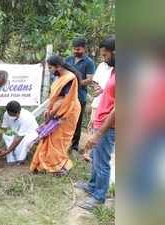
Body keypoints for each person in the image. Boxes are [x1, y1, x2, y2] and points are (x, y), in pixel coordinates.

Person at [75, 36, 116, 210]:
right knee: (95, 157)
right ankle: (92, 186)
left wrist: (99, 133)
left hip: (110, 124)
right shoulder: (115, 70)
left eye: (106, 55)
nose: (104, 59)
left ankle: (99, 196)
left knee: (102, 161)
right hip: (101, 119)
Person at [30, 55, 81, 176]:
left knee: (59, 139)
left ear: (58, 66)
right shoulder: (61, 77)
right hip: (57, 110)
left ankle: (58, 166)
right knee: (50, 137)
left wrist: (53, 113)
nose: (49, 70)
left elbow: (67, 99)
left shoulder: (70, 78)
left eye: (50, 67)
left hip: (68, 112)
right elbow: (56, 97)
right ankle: (46, 164)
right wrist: (51, 111)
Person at [66, 37, 96, 152]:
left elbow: (89, 79)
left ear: (84, 48)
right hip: (67, 95)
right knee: (65, 120)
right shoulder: (68, 59)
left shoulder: (89, 62)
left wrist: (75, 83)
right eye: (74, 49)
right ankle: (64, 142)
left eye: (78, 49)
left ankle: (74, 146)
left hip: (80, 96)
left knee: (77, 122)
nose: (75, 51)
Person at [84, 61, 113, 161]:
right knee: (92, 125)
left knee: (104, 132)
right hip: (98, 102)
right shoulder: (101, 65)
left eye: (105, 55)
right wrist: (96, 88)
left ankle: (96, 154)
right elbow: (95, 82)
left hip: (109, 106)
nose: (104, 58)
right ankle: (90, 153)